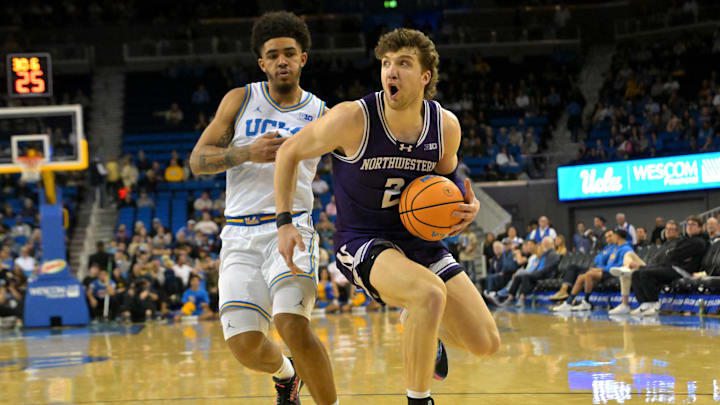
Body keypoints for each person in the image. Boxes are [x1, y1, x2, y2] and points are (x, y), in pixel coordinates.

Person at [274, 28, 500, 405]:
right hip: (363, 240)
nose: (391, 72)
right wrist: (284, 222)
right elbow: (288, 153)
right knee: (428, 294)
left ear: (425, 76)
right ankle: (419, 399)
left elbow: (448, 177)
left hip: (419, 241)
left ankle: (418, 325)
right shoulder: (352, 118)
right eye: (386, 63)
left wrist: (466, 204)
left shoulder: (445, 126)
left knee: (486, 343)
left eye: (404, 64)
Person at [187, 11, 337, 405]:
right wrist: (245, 152)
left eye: (290, 53)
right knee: (245, 345)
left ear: (303, 58)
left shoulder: (322, 113)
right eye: (273, 55)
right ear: (262, 63)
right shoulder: (240, 99)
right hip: (238, 234)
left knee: (292, 324)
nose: (282, 61)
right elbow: (197, 160)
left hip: (291, 229)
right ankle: (287, 375)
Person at [629, 216, 709, 316]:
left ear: (700, 228)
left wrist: (673, 254)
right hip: (672, 267)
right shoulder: (685, 240)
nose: (690, 226)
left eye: (693, 224)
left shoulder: (699, 242)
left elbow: (675, 254)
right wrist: (675, 254)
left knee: (645, 273)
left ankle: (654, 304)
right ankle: (645, 304)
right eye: (688, 224)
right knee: (636, 274)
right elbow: (674, 255)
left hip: (683, 270)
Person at [553, 229, 634, 311]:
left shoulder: (626, 248)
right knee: (581, 276)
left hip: (614, 272)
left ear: (618, 237)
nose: (611, 238)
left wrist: (601, 268)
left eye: (613, 236)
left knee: (589, 274)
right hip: (607, 270)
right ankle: (568, 303)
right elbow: (598, 259)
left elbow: (621, 265)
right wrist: (601, 268)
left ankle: (586, 302)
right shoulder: (616, 248)